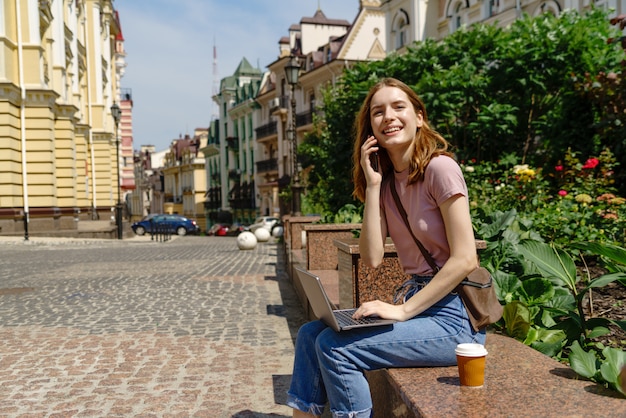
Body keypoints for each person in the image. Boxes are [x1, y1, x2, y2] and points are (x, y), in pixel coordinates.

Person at [286, 78, 485, 418]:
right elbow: (372, 257)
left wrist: (403, 310)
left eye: (398, 107)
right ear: (371, 128)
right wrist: (375, 186)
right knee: (309, 334)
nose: (388, 117)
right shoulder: (388, 182)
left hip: (454, 318)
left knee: (335, 348)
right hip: (419, 306)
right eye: (378, 112)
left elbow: (466, 258)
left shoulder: (440, 168)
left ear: (419, 117)